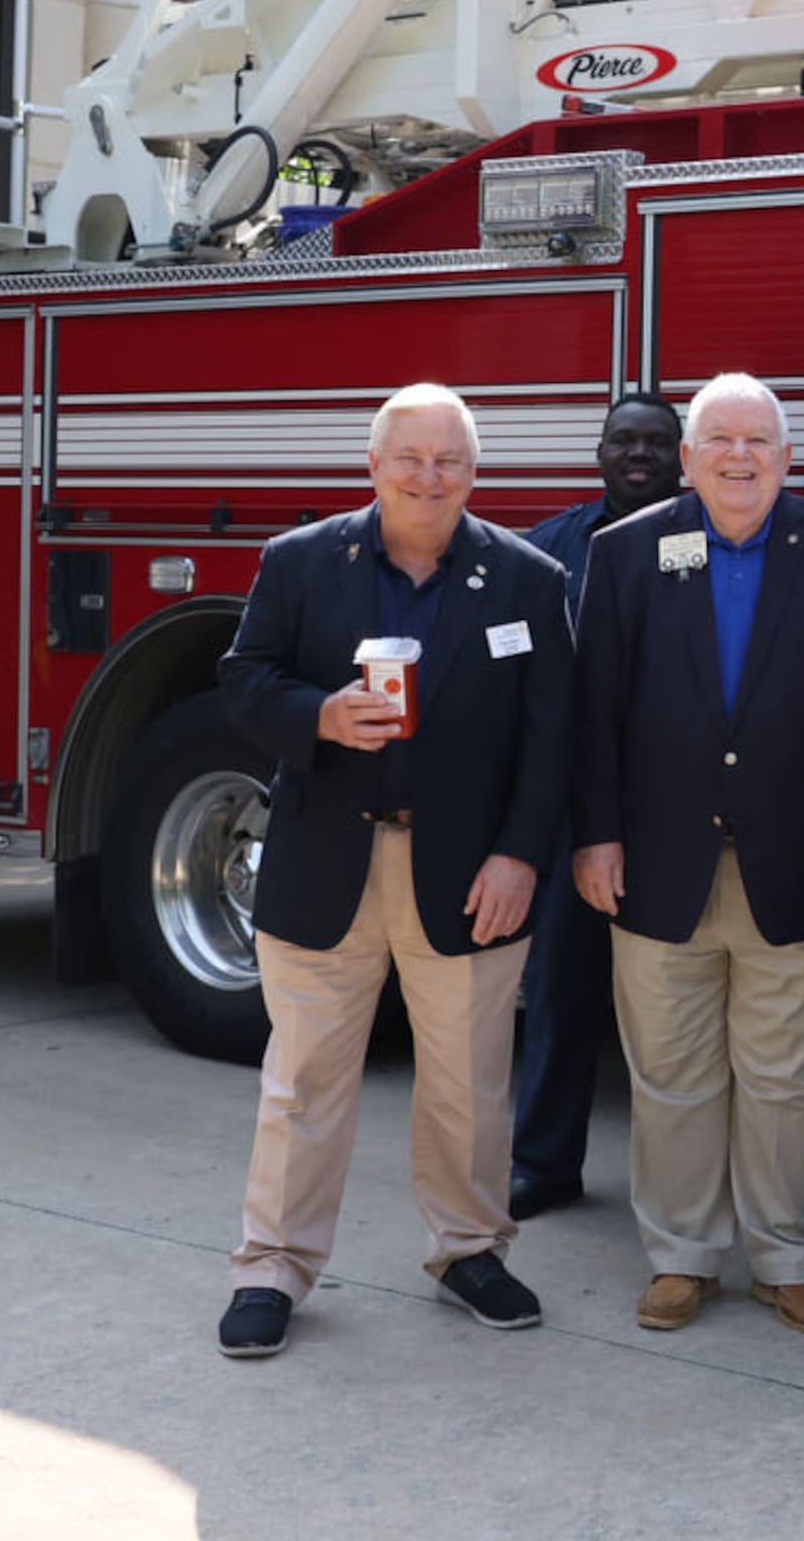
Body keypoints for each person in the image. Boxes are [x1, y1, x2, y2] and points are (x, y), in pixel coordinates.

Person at [210, 383, 574, 1359]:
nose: (428, 476)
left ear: (474, 471)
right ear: (373, 465)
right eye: (409, 458)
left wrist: (520, 856)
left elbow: (553, 737)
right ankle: (272, 1267)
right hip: (324, 863)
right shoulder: (299, 562)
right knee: (304, 1082)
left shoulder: (528, 579)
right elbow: (244, 680)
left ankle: (470, 1252)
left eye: (448, 459)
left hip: (469, 877)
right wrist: (321, 717)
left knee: (469, 1085)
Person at [570, 375, 804, 1338]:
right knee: (671, 1075)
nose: (739, 457)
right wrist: (594, 835)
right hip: (656, 864)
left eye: (758, 441)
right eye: (719, 440)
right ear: (688, 458)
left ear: (788, 459)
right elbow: (595, 708)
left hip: (799, 866)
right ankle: (682, 1256)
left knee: (789, 1078)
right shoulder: (627, 551)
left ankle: (786, 1256)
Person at [506, 392, 686, 1220]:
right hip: (574, 813)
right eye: (624, 440)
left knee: (678, 1014)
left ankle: (684, 1186)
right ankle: (543, 1165)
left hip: (674, 808)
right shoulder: (551, 548)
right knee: (560, 990)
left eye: (656, 442)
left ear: (682, 457)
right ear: (600, 452)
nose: (639, 454)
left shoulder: (709, 538)